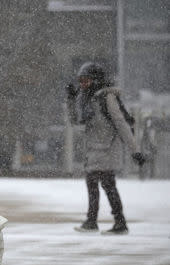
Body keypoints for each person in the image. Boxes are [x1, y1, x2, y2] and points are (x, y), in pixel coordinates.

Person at [66, 62, 145, 235]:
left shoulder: (107, 98)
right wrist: (71, 100)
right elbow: (75, 122)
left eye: (86, 81)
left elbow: (121, 123)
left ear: (96, 80)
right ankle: (102, 221)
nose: (82, 85)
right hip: (94, 149)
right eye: (81, 81)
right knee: (96, 183)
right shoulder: (86, 98)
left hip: (108, 148)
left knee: (105, 184)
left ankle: (111, 222)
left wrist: (135, 150)